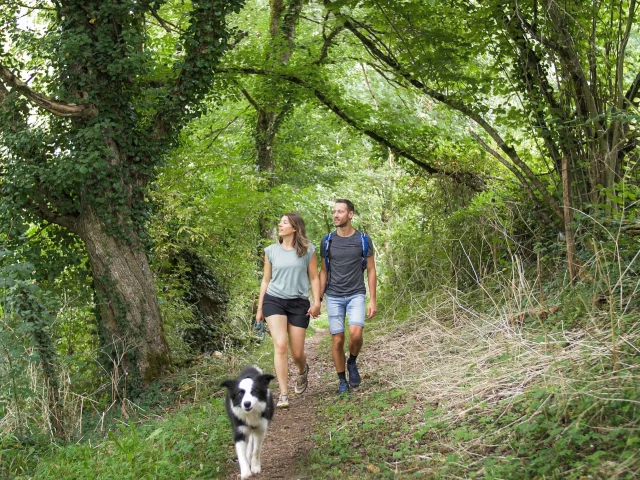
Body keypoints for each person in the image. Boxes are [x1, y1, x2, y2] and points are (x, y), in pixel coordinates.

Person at [256, 213, 321, 408]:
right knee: (280, 345)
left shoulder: (308, 251)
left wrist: (316, 302)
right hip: (274, 300)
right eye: (280, 222)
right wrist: (260, 308)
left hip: (298, 303)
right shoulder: (271, 251)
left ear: (294, 227)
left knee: (297, 353)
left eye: (284, 222)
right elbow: (266, 280)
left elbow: (314, 278)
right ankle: (283, 393)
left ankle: (302, 371)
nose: (280, 224)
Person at [320, 199, 377, 395]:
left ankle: (352, 360)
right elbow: (323, 272)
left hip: (356, 294)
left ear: (350, 214)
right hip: (334, 296)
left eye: (340, 212)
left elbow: (371, 270)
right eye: (334, 212)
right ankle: (342, 379)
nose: (336, 215)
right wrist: (318, 300)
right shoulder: (327, 241)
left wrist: (373, 300)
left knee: (356, 334)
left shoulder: (363, 240)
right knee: (337, 340)